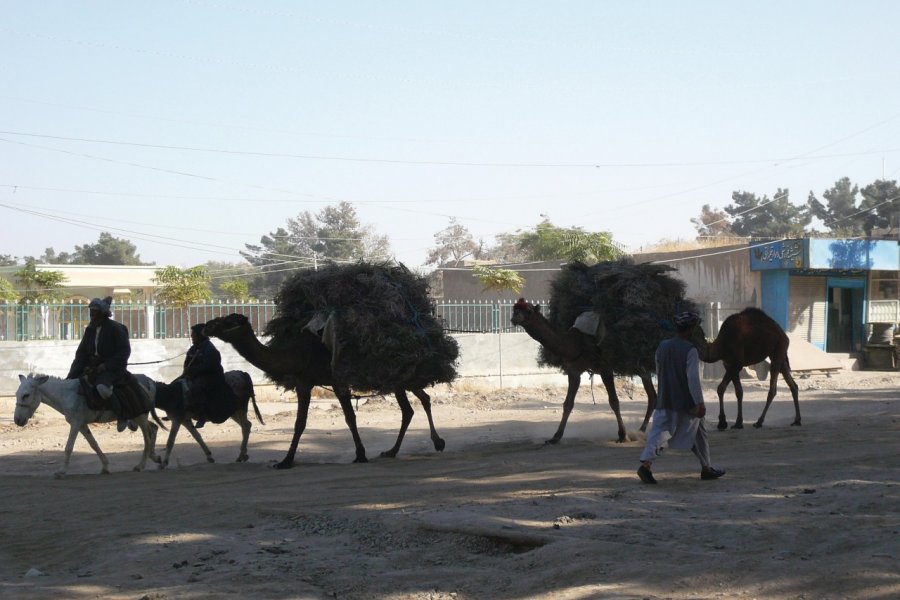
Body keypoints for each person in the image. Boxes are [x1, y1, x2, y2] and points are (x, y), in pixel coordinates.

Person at [637, 311, 726, 484]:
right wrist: (699, 403)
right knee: (668, 434)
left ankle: (706, 468)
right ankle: (647, 466)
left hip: (665, 398)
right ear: (691, 329)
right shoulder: (690, 350)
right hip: (686, 403)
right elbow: (692, 379)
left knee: (692, 433)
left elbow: (659, 370)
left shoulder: (662, 346)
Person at [66, 296, 132, 432]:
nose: (91, 315)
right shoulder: (90, 329)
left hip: (112, 369)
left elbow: (124, 351)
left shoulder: (115, 328)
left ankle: (123, 414)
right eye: (91, 312)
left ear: (102, 313)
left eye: (94, 312)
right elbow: (81, 353)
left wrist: (106, 365)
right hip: (92, 367)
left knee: (102, 388)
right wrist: (72, 374)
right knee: (75, 385)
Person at [178, 322, 232, 428]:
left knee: (197, 388)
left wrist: (193, 371)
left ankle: (202, 415)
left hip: (210, 377)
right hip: (194, 376)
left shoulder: (210, 350)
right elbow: (187, 363)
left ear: (200, 336)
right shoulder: (194, 349)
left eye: (193, 334)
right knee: (175, 386)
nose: (192, 336)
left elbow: (208, 367)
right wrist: (186, 372)